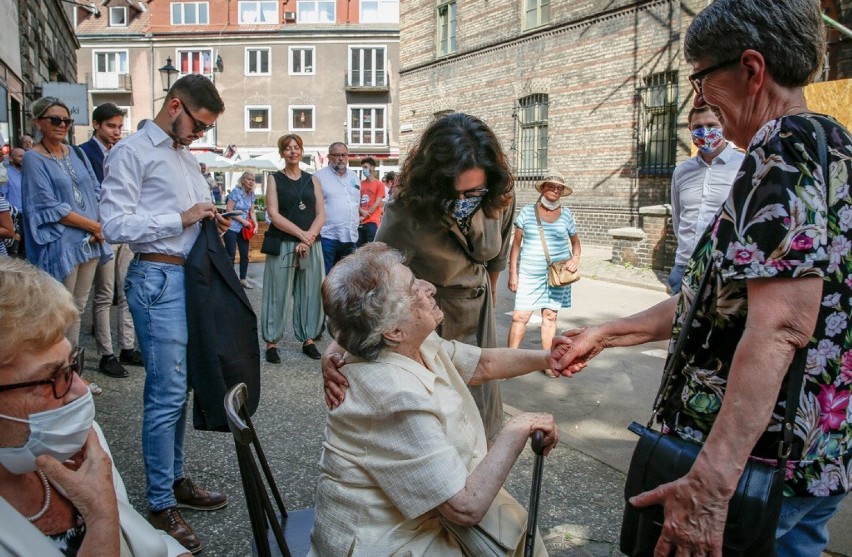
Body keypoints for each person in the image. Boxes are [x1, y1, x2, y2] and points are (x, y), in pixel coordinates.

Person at [551, 1, 852, 555]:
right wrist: (610, 332)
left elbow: (782, 324)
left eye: (700, 79)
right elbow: (722, 300)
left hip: (756, 470)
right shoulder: (833, 147)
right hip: (809, 459)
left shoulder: (782, 148)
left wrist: (713, 482)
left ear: (751, 70)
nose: (697, 100)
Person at [310, 243, 556, 556]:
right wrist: (519, 426)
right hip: (391, 541)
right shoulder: (391, 393)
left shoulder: (411, 344)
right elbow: (465, 508)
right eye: (414, 288)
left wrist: (550, 358)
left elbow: (481, 363)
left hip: (424, 517)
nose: (429, 288)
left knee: (514, 527)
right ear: (394, 330)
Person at [324, 113, 516, 442]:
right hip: (432, 323)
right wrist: (336, 346)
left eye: (472, 194)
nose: (462, 202)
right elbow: (370, 278)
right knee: (442, 420)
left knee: (484, 414)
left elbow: (498, 252)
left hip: (480, 315)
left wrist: (491, 294)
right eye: (451, 193)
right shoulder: (405, 211)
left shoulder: (497, 195)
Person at [99, 74, 230, 554]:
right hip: (156, 278)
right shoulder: (131, 152)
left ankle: (173, 481)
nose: (200, 134)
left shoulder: (183, 156)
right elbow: (113, 224)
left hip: (187, 279)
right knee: (165, 392)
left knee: (180, 389)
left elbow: (191, 211)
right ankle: (159, 500)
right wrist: (181, 219)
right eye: (198, 124)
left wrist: (209, 215)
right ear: (175, 106)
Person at [0, 257, 189, 557]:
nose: (82, 388)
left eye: (74, 364)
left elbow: (142, 537)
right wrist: (101, 520)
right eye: (53, 376)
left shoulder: (73, 444)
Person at [21, 96, 112, 348]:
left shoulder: (77, 153)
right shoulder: (33, 158)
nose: (62, 125)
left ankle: (72, 371)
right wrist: (94, 226)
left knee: (78, 308)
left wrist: (98, 225)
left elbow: (96, 189)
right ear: (39, 123)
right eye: (55, 120)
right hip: (62, 244)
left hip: (91, 241)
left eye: (67, 120)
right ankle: (57, 370)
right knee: (60, 310)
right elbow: (48, 206)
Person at [78, 103, 143, 379]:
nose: (116, 132)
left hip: (125, 229)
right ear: (97, 125)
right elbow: (85, 193)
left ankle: (127, 346)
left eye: (119, 127)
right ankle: (107, 352)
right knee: (104, 294)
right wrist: (95, 226)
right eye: (111, 126)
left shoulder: (124, 152)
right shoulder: (83, 152)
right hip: (101, 230)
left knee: (126, 290)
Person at [507, 172, 581, 377]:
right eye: (551, 186)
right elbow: (516, 245)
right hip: (530, 273)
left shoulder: (566, 215)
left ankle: (546, 361)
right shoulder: (527, 213)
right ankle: (508, 360)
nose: (555, 191)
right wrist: (513, 272)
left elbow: (575, 242)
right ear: (543, 188)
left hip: (557, 275)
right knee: (520, 316)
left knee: (550, 316)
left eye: (559, 188)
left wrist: (575, 259)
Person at [262, 134, 325, 363]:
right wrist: (302, 235)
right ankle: (272, 342)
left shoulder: (313, 180)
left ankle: (308, 339)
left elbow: (321, 214)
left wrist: (308, 240)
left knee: (309, 293)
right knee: (277, 293)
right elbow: (273, 214)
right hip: (283, 243)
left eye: (296, 147)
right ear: (282, 153)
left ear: (301, 150)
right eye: (287, 148)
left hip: (310, 245)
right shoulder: (274, 179)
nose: (292, 151)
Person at [667, 105, 744, 293]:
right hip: (684, 266)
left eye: (711, 124)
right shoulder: (682, 171)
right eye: (698, 127)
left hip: (723, 268)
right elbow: (678, 219)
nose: (705, 131)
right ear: (690, 130)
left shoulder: (743, 165)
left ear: (723, 125)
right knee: (676, 322)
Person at [314, 142, 359, 274]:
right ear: (329, 157)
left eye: (344, 155)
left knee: (348, 278)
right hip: (328, 237)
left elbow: (354, 203)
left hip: (351, 236)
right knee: (326, 277)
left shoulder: (354, 176)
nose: (341, 158)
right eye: (337, 155)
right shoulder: (319, 177)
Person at [223, 171, 257, 289]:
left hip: (244, 229)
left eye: (253, 179)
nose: (251, 181)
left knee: (244, 255)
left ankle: (243, 279)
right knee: (230, 255)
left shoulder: (252, 194)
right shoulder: (236, 192)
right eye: (248, 179)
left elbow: (252, 211)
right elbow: (228, 209)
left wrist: (256, 223)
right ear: (242, 180)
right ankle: (229, 280)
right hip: (232, 227)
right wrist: (243, 221)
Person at [357, 156, 385, 246]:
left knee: (371, 247)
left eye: (365, 167)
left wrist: (365, 215)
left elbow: (377, 202)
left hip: (372, 221)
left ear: (372, 168)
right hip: (360, 221)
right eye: (363, 168)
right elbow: (356, 201)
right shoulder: (360, 184)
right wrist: (361, 212)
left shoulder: (379, 184)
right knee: (359, 248)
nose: (364, 170)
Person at [2, 147, 24, 257]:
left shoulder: (27, 173)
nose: (23, 159)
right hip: (14, 218)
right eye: (20, 156)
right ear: (11, 159)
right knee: (15, 255)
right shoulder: (6, 174)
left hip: (28, 217)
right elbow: (2, 198)